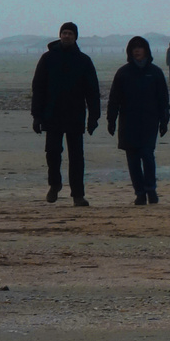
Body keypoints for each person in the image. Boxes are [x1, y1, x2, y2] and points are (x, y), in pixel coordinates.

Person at [30, 21, 101, 207]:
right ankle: (55, 184)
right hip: (51, 114)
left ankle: (78, 194)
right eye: (64, 33)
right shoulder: (47, 58)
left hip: (75, 114)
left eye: (70, 33)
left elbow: (92, 90)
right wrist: (36, 116)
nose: (67, 36)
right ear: (60, 35)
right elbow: (38, 87)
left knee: (77, 157)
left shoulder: (83, 60)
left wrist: (94, 117)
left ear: (75, 37)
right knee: (52, 153)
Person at [106, 35, 170, 205]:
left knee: (147, 155)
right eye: (134, 48)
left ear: (146, 50)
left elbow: (163, 99)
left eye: (140, 47)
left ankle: (151, 189)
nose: (137, 50)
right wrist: (111, 120)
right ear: (130, 52)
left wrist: (164, 120)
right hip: (128, 121)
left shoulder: (155, 72)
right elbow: (114, 99)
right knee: (133, 159)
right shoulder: (123, 73)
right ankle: (139, 192)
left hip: (150, 121)